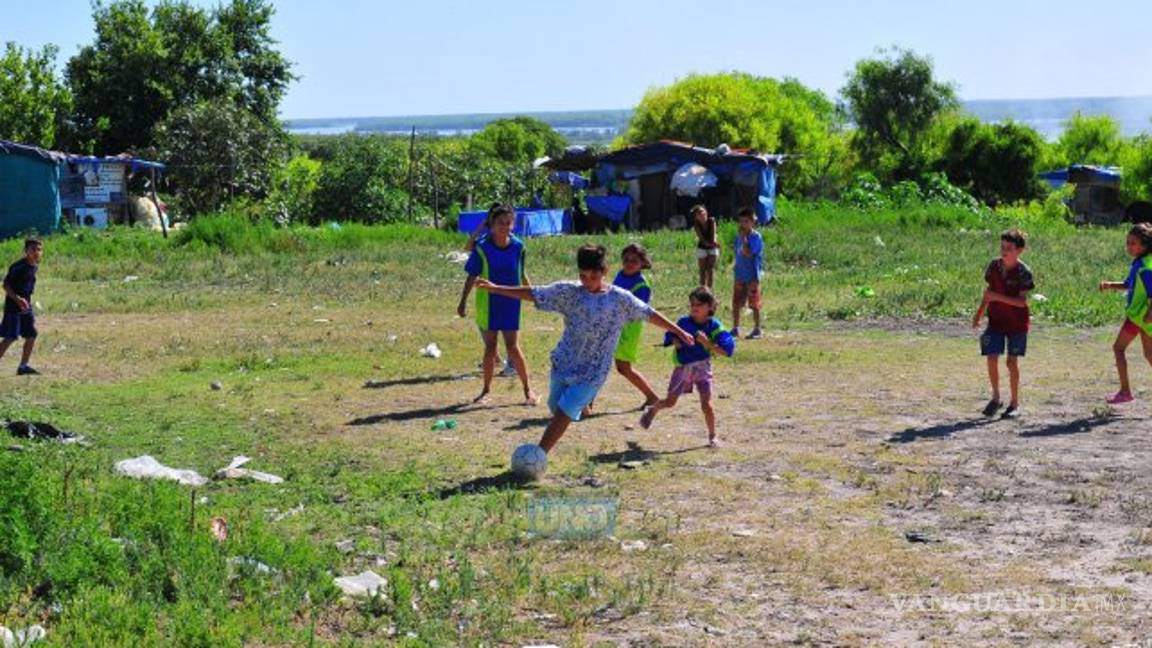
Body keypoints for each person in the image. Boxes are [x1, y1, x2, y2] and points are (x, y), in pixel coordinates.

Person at [474, 244, 693, 455]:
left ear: (604, 271)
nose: (587, 282)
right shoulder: (569, 292)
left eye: (593, 277)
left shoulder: (619, 299)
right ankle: (579, 410)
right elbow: (535, 293)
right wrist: (497, 289)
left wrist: (679, 331)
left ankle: (538, 454)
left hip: (593, 371)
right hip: (564, 362)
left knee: (565, 411)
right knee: (555, 405)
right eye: (583, 276)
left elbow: (649, 313)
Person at [457, 205, 537, 405]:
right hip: (488, 303)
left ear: (513, 225)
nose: (504, 226)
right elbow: (471, 275)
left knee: (513, 347)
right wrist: (463, 301)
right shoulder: (483, 247)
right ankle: (486, 389)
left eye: (508, 223)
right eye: (500, 223)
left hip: (511, 301)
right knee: (490, 348)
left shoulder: (519, 247)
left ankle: (528, 389)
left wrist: (533, 293)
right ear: (491, 225)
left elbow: (521, 272)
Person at [640, 287, 735, 447]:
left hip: (703, 368)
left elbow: (726, 351)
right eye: (692, 304)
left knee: (707, 404)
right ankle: (653, 409)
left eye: (699, 304)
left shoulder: (715, 326)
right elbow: (669, 334)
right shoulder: (683, 322)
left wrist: (707, 343)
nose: (694, 308)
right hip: (683, 368)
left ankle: (712, 436)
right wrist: (674, 341)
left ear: (710, 307)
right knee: (670, 403)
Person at [585, 243, 660, 415]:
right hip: (612, 325)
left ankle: (652, 396)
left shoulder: (642, 286)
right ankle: (587, 403)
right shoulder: (620, 275)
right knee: (600, 363)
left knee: (622, 367)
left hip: (627, 330)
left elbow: (639, 311)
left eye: (634, 260)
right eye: (626, 260)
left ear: (642, 262)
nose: (629, 263)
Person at [971, 229, 1034, 419]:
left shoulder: (1024, 272)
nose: (1004, 251)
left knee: (1011, 362)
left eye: (1009, 248)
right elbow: (988, 292)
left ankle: (1014, 403)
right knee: (991, 356)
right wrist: (980, 313)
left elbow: (1022, 302)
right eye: (1002, 247)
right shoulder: (993, 267)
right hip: (996, 321)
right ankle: (996, 398)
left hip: (1017, 324)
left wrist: (996, 297)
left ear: (1019, 250)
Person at [1100, 223, 1152, 404]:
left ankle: (1125, 392)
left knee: (1118, 348)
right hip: (1144, 318)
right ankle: (1124, 391)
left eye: (1133, 243)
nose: (1129, 246)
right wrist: (1110, 285)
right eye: (1128, 242)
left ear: (1144, 245)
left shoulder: (1145, 267)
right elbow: (1130, 283)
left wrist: (1149, 315)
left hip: (1139, 317)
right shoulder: (1142, 262)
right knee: (1149, 355)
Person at [464, 203, 514, 376]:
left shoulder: (509, 240)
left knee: (509, 330)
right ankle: (494, 356)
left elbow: (519, 267)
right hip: (485, 289)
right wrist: (481, 227)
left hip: (505, 288)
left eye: (506, 221)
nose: (502, 224)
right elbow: (468, 247)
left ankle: (511, 363)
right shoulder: (485, 238)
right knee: (485, 325)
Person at [0, 239, 44, 375]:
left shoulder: (34, 266)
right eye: (33, 249)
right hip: (13, 306)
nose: (36, 252)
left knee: (31, 335)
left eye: (39, 249)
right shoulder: (18, 267)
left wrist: (26, 302)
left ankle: (23, 366)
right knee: (11, 336)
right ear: (26, 251)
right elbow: (6, 285)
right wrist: (18, 299)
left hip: (26, 306)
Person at [732, 207, 764, 340]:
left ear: (752, 222)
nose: (743, 224)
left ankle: (757, 328)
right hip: (740, 273)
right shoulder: (738, 237)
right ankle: (735, 328)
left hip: (752, 274)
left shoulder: (755, 237)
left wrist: (745, 238)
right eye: (741, 221)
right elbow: (737, 253)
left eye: (746, 221)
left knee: (754, 303)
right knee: (736, 302)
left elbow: (748, 253)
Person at [692, 205, 719, 289]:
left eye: (703, 212)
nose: (702, 214)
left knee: (710, 269)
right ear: (696, 217)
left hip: (712, 247)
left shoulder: (712, 221)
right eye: (699, 213)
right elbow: (702, 239)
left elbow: (713, 233)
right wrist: (709, 244)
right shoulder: (696, 225)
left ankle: (709, 291)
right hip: (702, 247)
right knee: (702, 270)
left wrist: (714, 241)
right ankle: (702, 290)